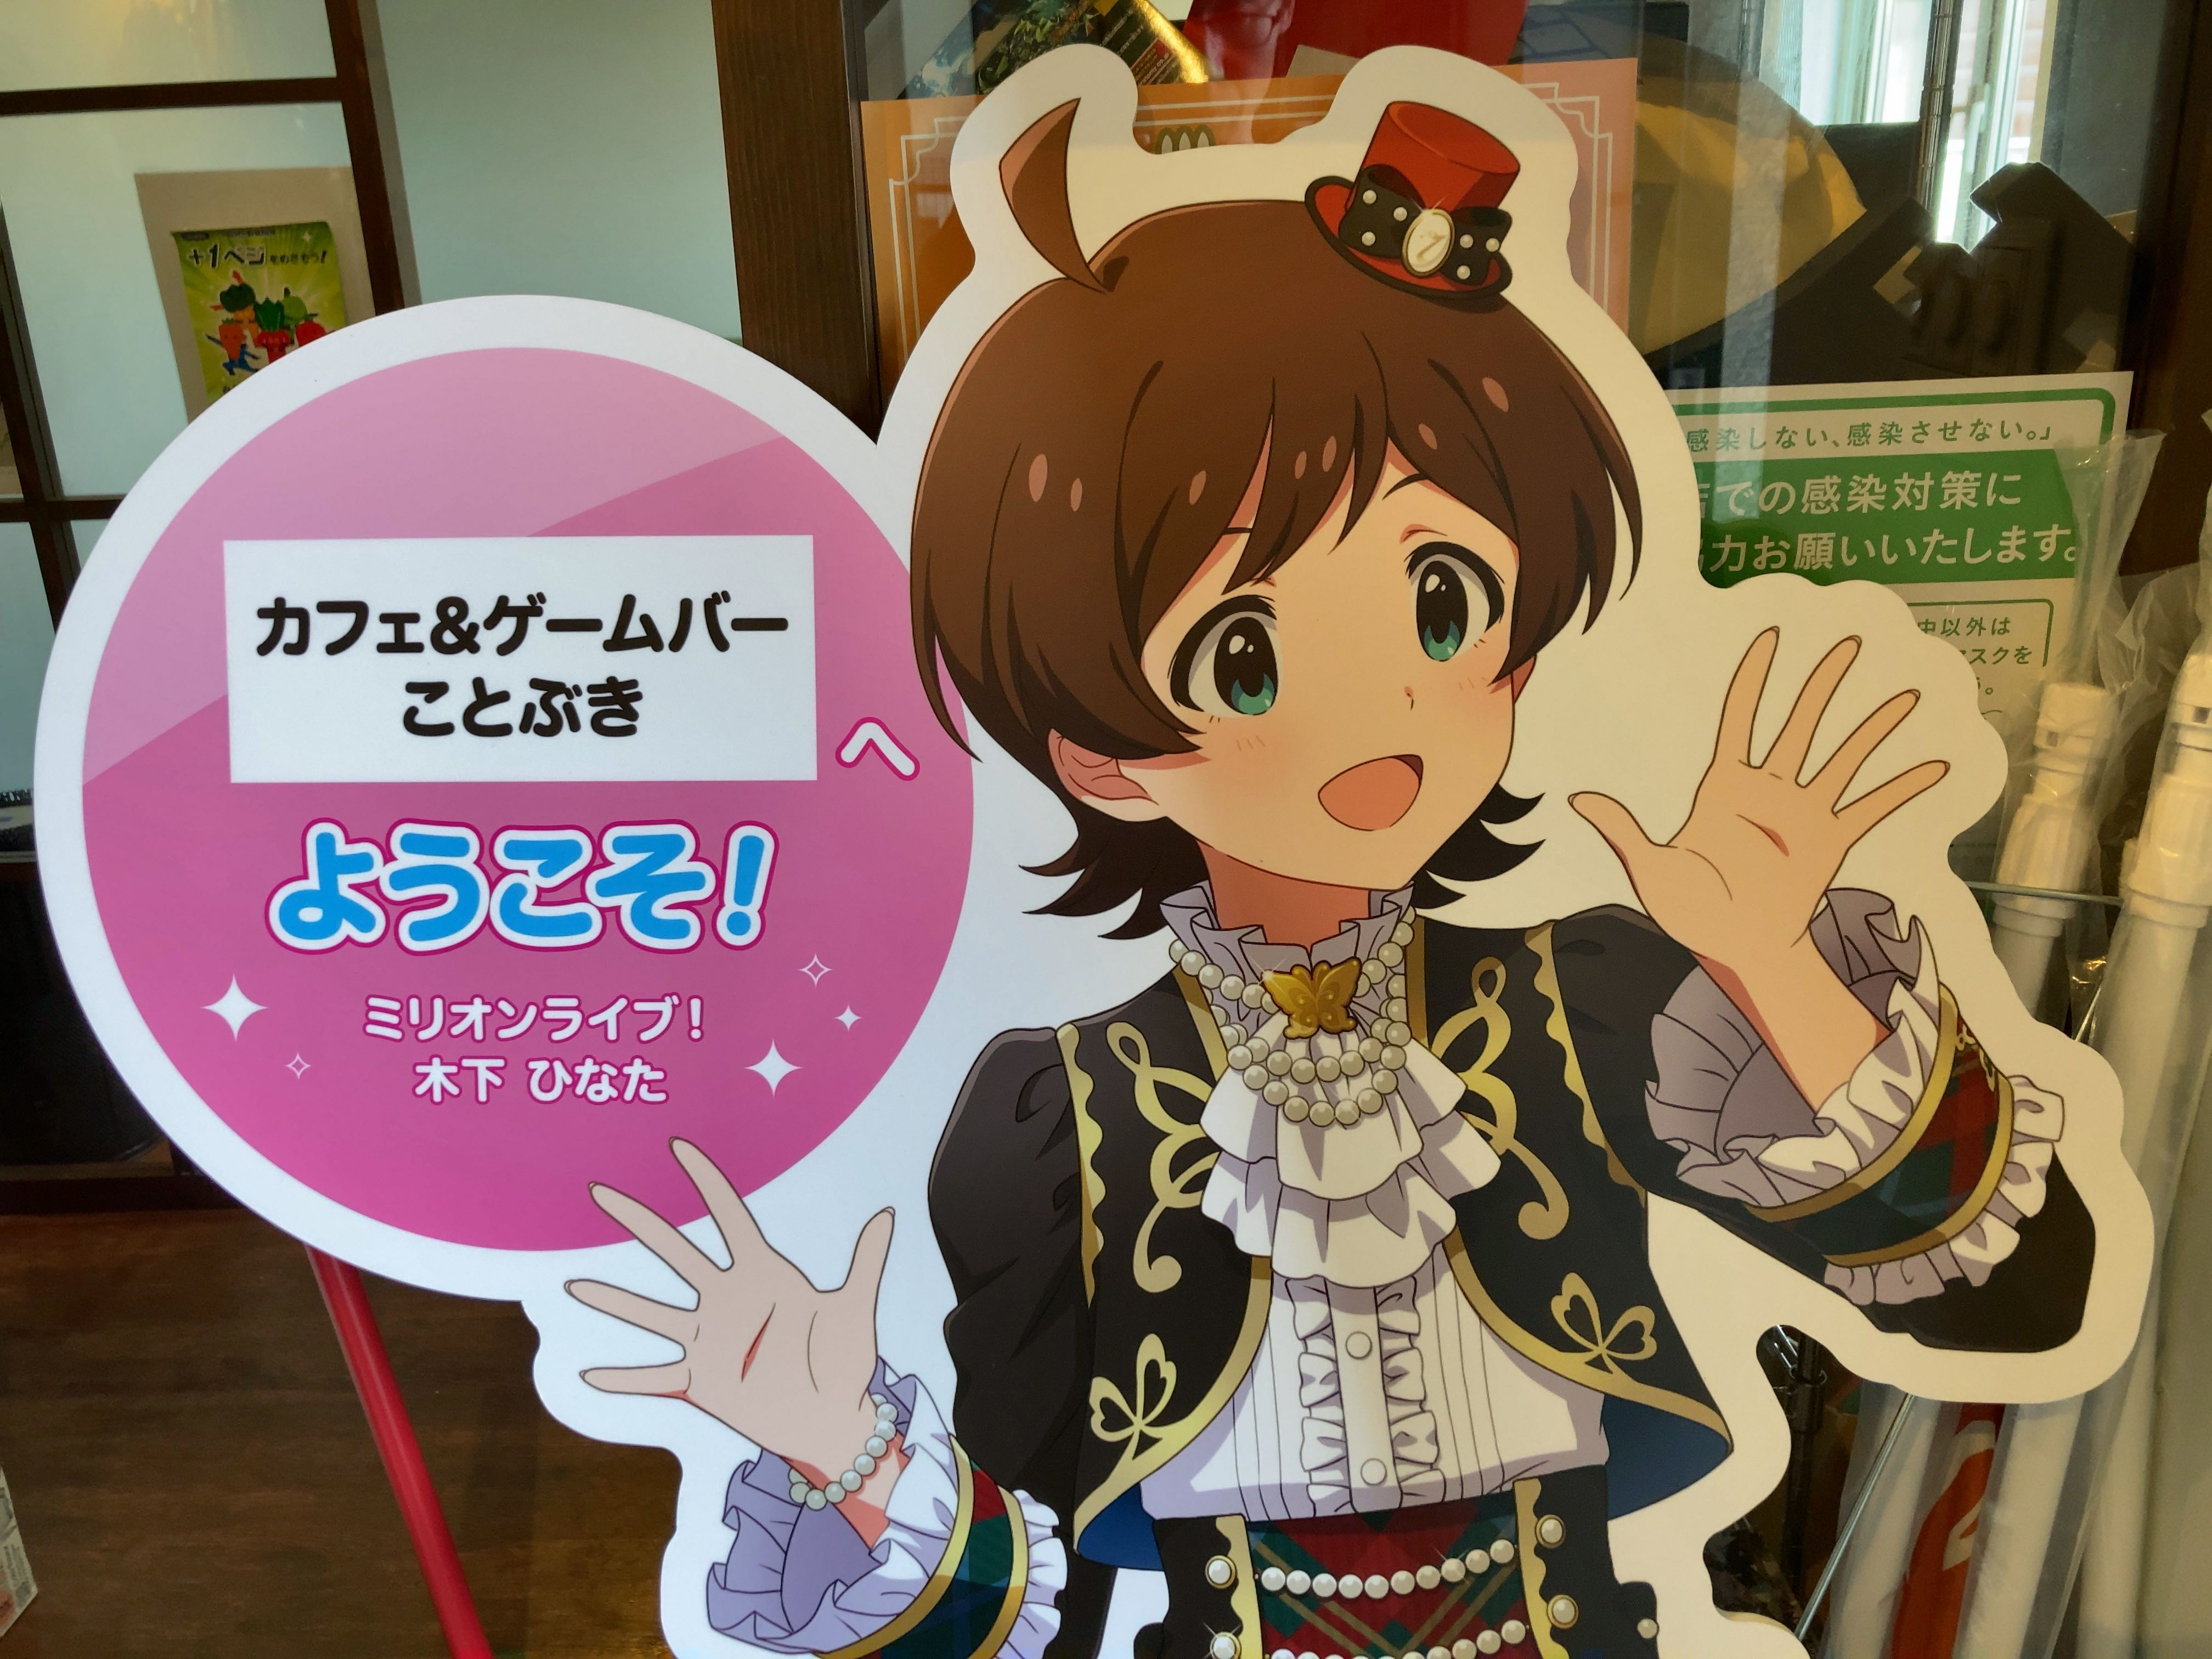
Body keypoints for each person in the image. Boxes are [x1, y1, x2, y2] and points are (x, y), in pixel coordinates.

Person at [568, 99, 2091, 1659]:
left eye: (1442, 601)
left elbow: (2020, 1303)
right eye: (1244, 652)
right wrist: (848, 1455)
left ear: (1521, 635)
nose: (1381, 710)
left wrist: (1784, 979)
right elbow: (1038, 1613)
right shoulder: (1055, 1123)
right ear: (1098, 753)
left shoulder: (1584, 1003)